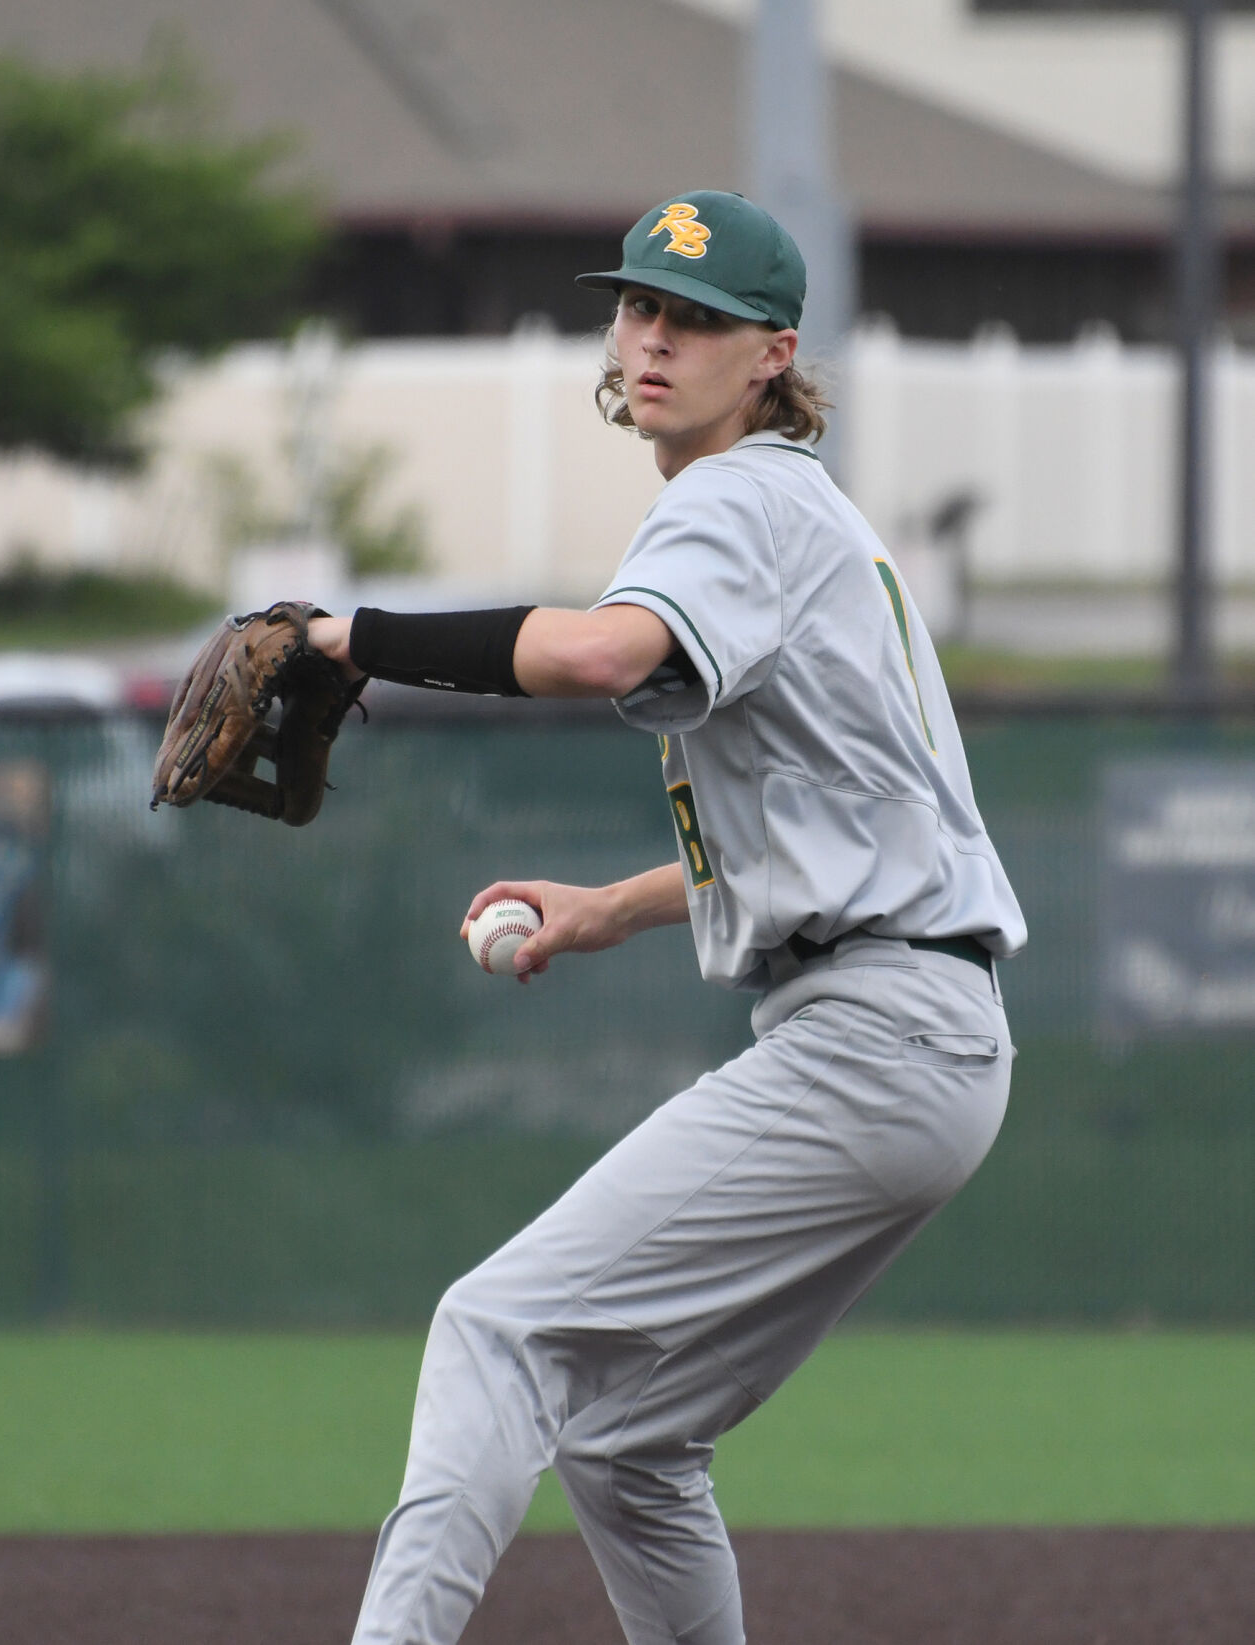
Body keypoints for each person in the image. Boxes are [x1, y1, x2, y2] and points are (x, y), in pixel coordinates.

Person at [308, 189, 1026, 1645]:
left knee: (496, 1329)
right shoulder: (804, 521)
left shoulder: (739, 498)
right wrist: (607, 909)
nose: (650, 337)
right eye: (637, 305)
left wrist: (351, 638)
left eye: (693, 318)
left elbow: (593, 651)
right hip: (920, 1034)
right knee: (629, 1444)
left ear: (773, 352)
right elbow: (850, 831)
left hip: (878, 1036)